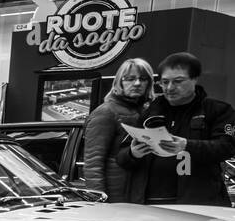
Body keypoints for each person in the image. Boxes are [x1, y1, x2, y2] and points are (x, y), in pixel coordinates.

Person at [118, 52, 235, 206]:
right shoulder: (150, 112)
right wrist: (133, 153)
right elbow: (121, 157)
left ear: (195, 79)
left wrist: (187, 145)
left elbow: (227, 147)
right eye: (165, 82)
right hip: (149, 206)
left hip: (199, 205)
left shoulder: (217, 110)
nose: (170, 88)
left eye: (178, 81)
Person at [83, 58, 154, 202]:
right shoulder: (105, 112)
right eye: (130, 78)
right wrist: (100, 202)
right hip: (117, 199)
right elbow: (93, 164)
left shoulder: (148, 111)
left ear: (149, 83)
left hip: (140, 196)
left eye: (143, 79)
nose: (137, 83)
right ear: (119, 82)